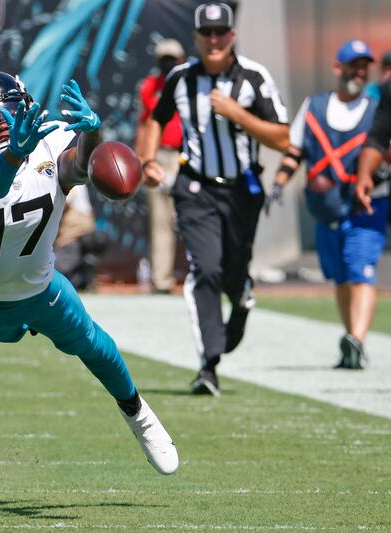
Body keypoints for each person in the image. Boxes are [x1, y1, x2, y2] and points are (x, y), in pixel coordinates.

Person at [0, 70, 179, 476]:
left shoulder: (48, 144)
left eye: (9, 109)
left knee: (96, 345)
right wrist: (13, 157)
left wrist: (93, 136)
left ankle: (139, 415)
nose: (1, 121)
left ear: (26, 107)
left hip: (41, 286)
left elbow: (82, 167)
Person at [139, 2, 289, 396]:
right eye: (207, 33)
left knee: (232, 272)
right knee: (204, 269)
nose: (214, 39)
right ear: (196, 38)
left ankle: (240, 296)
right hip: (195, 187)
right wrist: (149, 160)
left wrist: (238, 115)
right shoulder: (180, 78)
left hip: (242, 191)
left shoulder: (254, 78)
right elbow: (155, 119)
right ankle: (208, 365)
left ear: (232, 35)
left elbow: (283, 137)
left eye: (221, 31)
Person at [267, 40, 388, 370]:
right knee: (339, 276)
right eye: (354, 64)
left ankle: (359, 340)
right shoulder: (315, 105)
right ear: (338, 67)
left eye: (365, 65)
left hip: (367, 206)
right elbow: (296, 150)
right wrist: (279, 183)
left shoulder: (377, 109)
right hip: (326, 208)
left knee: (361, 271)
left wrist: (377, 175)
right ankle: (351, 338)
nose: (360, 71)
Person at [134, 38, 186, 294]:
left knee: (193, 216)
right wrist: (143, 159)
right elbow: (144, 124)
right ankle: (162, 279)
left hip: (185, 157)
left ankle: (204, 275)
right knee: (161, 220)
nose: (167, 64)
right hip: (159, 157)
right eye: (163, 59)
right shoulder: (149, 86)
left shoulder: (191, 84)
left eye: (171, 59)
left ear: (181, 60)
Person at [54, 184, 99, 291]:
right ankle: (84, 276)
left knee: (57, 269)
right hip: (86, 227)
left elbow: (64, 202)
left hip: (75, 230)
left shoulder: (69, 177)